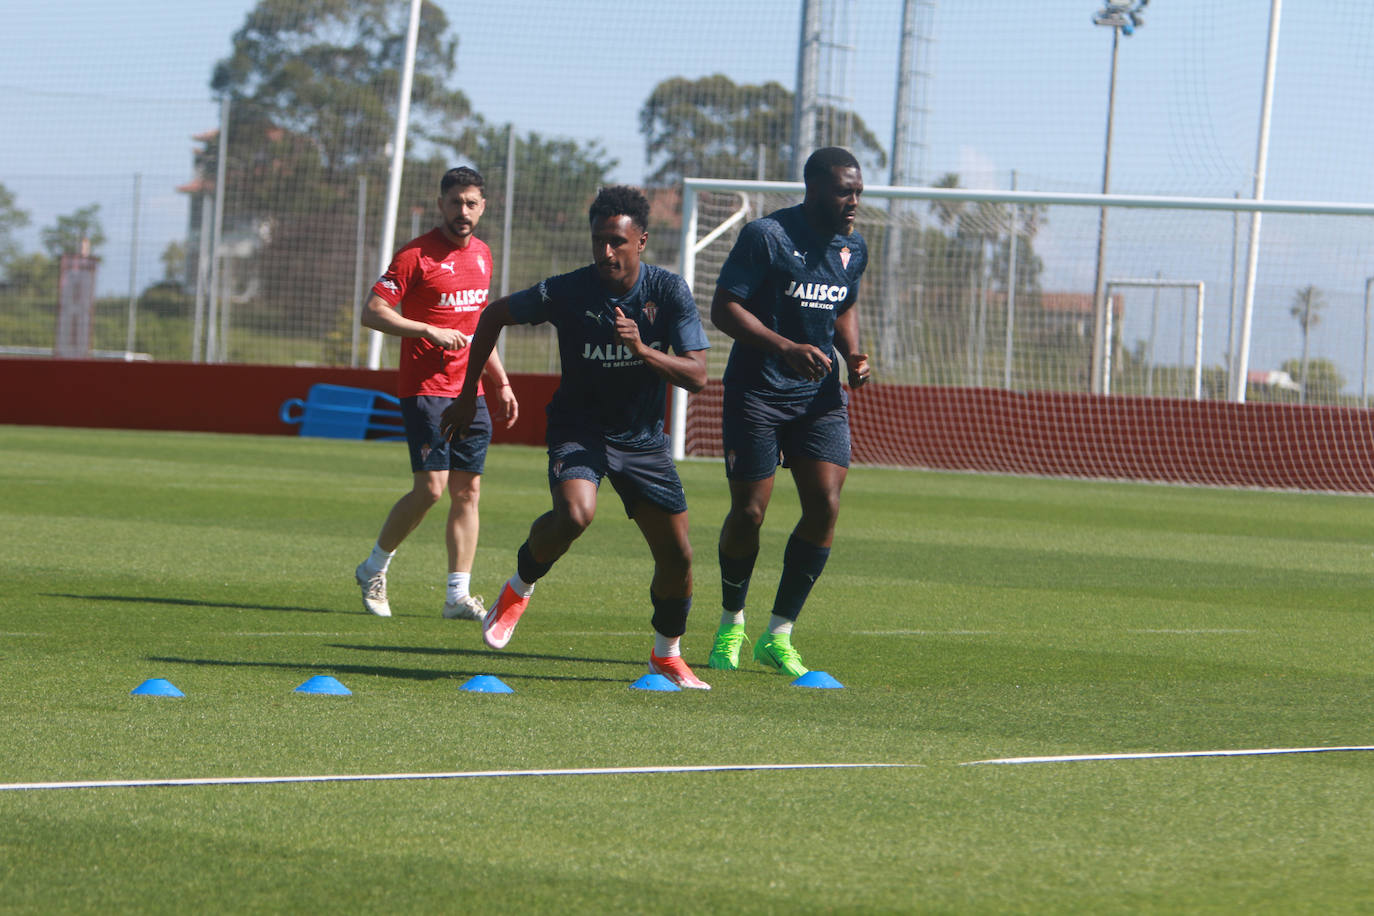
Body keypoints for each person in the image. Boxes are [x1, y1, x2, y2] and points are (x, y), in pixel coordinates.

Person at [440, 185, 712, 689]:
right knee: (576, 513)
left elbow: (697, 375)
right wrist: (464, 394)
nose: (605, 252)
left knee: (678, 558)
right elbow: (493, 315)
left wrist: (643, 349)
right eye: (598, 241)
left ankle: (666, 654)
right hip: (579, 428)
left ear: (642, 242)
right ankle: (519, 587)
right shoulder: (567, 290)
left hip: (643, 440)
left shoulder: (669, 292)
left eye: (617, 242)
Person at [706, 147, 871, 677]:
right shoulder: (766, 237)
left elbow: (842, 305)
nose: (854, 201)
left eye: (859, 191)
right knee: (750, 512)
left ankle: (778, 635)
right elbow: (724, 307)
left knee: (825, 504)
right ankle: (732, 623)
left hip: (819, 399)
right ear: (815, 188)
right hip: (757, 390)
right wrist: (784, 348)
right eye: (845, 191)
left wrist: (853, 354)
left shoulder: (853, 248)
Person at [352, 166, 519, 620]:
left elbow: (479, 328)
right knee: (431, 488)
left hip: (470, 393)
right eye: (455, 202)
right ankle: (373, 568)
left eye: (471, 203)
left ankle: (457, 596)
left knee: (468, 493)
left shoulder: (483, 255)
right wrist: (425, 328)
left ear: (483, 206)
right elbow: (372, 312)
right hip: (426, 390)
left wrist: (498, 381)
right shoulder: (415, 255)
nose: (462, 211)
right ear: (440, 203)